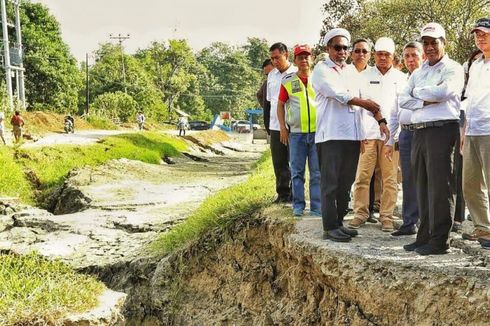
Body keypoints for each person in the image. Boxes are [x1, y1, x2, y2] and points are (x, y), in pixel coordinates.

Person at [311, 28, 390, 242]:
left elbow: (367, 97)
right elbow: (338, 94)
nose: (342, 52)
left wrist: (380, 120)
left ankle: (338, 223)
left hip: (352, 136)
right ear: (328, 48)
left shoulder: (351, 72)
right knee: (331, 183)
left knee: (346, 183)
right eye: (337, 47)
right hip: (331, 136)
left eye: (346, 48)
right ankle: (329, 227)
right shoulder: (321, 69)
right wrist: (364, 103)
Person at [399, 22, 464, 255]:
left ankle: (439, 241)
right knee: (422, 185)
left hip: (442, 130)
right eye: (425, 43)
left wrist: (418, 94)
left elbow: (445, 92)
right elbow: (402, 100)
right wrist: (425, 96)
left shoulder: (453, 68)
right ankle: (423, 236)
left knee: (441, 186)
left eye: (434, 42)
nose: (429, 48)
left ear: (443, 43)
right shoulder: (419, 72)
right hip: (419, 131)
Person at [348, 37, 407, 232]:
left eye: (387, 55)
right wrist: (359, 133)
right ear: (374, 55)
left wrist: (397, 135)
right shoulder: (363, 76)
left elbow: (402, 109)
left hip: (391, 136)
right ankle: (360, 213)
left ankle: (387, 217)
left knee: (390, 178)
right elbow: (357, 107)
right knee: (363, 176)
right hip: (367, 134)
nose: (383, 58)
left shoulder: (401, 77)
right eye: (380, 54)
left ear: (393, 56)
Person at [277, 44, 321, 217]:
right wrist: (282, 127)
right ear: (295, 60)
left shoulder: (319, 79)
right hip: (296, 134)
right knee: (297, 172)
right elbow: (280, 105)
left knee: (317, 172)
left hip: (318, 133)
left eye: (307, 56)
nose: (304, 60)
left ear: (312, 58)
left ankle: (317, 207)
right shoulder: (288, 81)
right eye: (300, 57)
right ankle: (298, 205)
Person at [460, 18, 490, 249]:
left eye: (485, 33)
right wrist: (463, 129)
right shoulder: (474, 64)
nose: (480, 37)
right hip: (472, 130)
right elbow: (467, 99)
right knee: (469, 183)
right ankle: (483, 228)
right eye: (477, 34)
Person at [389, 41, 423, 236]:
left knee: (425, 178)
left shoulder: (426, 78)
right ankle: (409, 222)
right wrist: (390, 139)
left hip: (423, 131)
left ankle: (428, 223)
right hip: (405, 133)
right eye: (407, 56)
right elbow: (394, 112)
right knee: (408, 179)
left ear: (422, 56)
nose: (410, 59)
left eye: (414, 55)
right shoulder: (402, 81)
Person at [351, 38, 381, 223]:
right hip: (347, 130)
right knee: (354, 173)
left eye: (365, 51)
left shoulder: (374, 74)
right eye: (357, 51)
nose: (361, 54)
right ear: (352, 53)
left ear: (370, 55)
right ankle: (356, 209)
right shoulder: (345, 72)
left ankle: (370, 210)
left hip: (369, 131)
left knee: (370, 174)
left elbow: (374, 104)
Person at [267, 42, 297, 203]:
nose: (275, 62)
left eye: (277, 58)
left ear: (286, 55)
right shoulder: (272, 75)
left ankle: (295, 194)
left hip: (292, 125)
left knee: (294, 161)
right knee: (279, 162)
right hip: (275, 126)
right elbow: (269, 102)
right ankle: (283, 194)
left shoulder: (296, 73)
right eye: (272, 59)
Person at [256, 59, 274, 133]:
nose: (270, 76)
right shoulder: (267, 84)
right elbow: (259, 95)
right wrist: (268, 107)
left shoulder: (287, 79)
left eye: (271, 73)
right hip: (273, 126)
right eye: (267, 75)